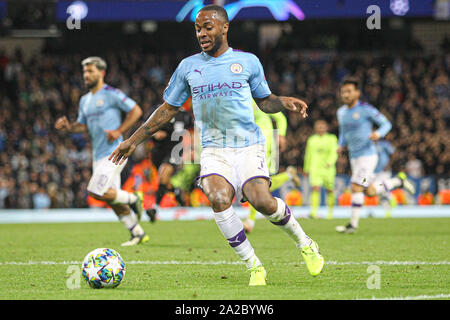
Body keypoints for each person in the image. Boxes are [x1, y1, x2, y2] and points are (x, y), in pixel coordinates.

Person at [109, 5, 324, 286]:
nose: (201, 33)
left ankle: (305, 243)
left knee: (261, 201)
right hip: (213, 149)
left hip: (247, 145)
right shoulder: (188, 67)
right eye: (198, 28)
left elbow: (265, 100)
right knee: (218, 197)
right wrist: (131, 141)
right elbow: (166, 110)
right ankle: (254, 265)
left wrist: (284, 101)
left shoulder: (248, 62)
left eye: (208, 27)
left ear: (224, 27)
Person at [55, 56, 149, 246]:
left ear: (102, 73)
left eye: (90, 71)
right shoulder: (84, 101)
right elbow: (83, 126)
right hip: (98, 155)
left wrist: (119, 131)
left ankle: (133, 198)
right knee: (112, 198)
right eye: (84, 72)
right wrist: (69, 127)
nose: (86, 75)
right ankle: (137, 233)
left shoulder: (111, 93)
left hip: (115, 152)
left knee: (95, 190)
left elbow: (136, 111)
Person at [335, 77, 415, 234]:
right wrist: (340, 145)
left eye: (349, 91)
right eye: (343, 91)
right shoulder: (341, 112)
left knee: (356, 186)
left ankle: (353, 225)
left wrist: (378, 133)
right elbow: (343, 132)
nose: (346, 94)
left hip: (368, 156)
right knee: (369, 191)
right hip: (354, 157)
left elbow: (387, 124)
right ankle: (397, 181)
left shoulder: (366, 109)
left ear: (357, 93)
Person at [242, 99, 301, 233]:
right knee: (256, 183)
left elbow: (280, 117)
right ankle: (288, 175)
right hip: (247, 144)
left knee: (256, 181)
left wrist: (281, 135)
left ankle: (250, 221)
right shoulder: (238, 99)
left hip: (265, 142)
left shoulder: (258, 99)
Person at [303, 120, 338, 219]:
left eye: (322, 126)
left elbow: (334, 152)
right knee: (315, 188)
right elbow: (308, 155)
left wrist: (330, 162)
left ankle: (330, 212)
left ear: (326, 128)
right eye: (318, 127)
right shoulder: (312, 139)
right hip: (315, 168)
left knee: (330, 190)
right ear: (315, 128)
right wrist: (306, 168)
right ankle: (313, 212)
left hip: (328, 168)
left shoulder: (332, 138)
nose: (320, 128)